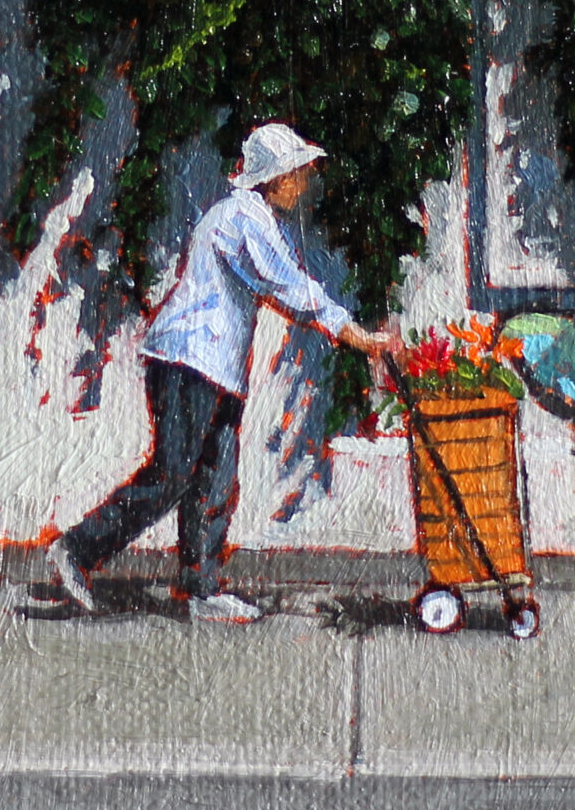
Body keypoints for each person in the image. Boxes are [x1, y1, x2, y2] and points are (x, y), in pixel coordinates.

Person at [47, 121, 397, 622]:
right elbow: (290, 288)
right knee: (173, 475)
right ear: (273, 178)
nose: (304, 183)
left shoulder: (253, 217)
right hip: (190, 363)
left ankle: (200, 588)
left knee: (214, 477)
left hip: (216, 370)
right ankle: (77, 549)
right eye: (297, 174)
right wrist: (359, 337)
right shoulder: (242, 218)